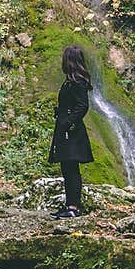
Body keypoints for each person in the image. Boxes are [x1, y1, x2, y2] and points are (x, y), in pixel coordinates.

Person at [49, 43, 93, 218]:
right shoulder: (71, 81)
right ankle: (70, 205)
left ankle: (74, 207)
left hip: (71, 131)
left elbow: (83, 106)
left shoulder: (77, 82)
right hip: (67, 128)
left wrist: (67, 122)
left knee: (71, 168)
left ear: (70, 61)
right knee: (67, 168)